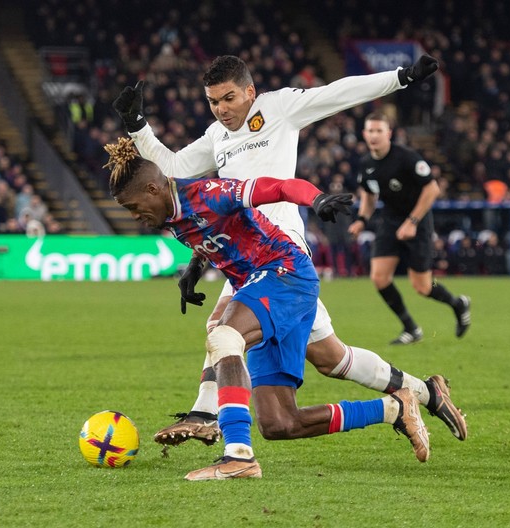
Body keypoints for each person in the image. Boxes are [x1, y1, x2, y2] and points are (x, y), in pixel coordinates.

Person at [113, 54, 468, 447]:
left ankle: (207, 414)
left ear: (250, 91)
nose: (221, 109)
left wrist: (400, 78)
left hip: (278, 252)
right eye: (214, 102)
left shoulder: (278, 107)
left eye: (228, 98)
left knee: (221, 327)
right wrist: (138, 127)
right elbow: (173, 169)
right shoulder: (217, 136)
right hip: (245, 256)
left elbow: (339, 93)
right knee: (331, 358)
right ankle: (426, 393)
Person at [103, 137, 431, 480]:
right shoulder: (168, 214)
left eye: (132, 206)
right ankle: (395, 406)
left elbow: (277, 187)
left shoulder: (210, 193)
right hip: (263, 287)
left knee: (224, 336)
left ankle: (238, 455)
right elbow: (207, 237)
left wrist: (315, 198)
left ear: (154, 188)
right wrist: (193, 270)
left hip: (284, 273)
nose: (134, 216)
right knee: (280, 423)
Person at [348, 112, 471, 345]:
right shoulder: (366, 164)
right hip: (390, 220)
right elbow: (370, 195)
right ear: (364, 134)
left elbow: (432, 189)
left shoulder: (406, 157)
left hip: (418, 221)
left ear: (389, 134)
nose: (374, 136)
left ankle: (458, 304)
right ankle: (411, 328)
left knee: (423, 286)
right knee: (379, 277)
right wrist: (362, 220)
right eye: (370, 131)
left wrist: (412, 222)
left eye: (379, 131)